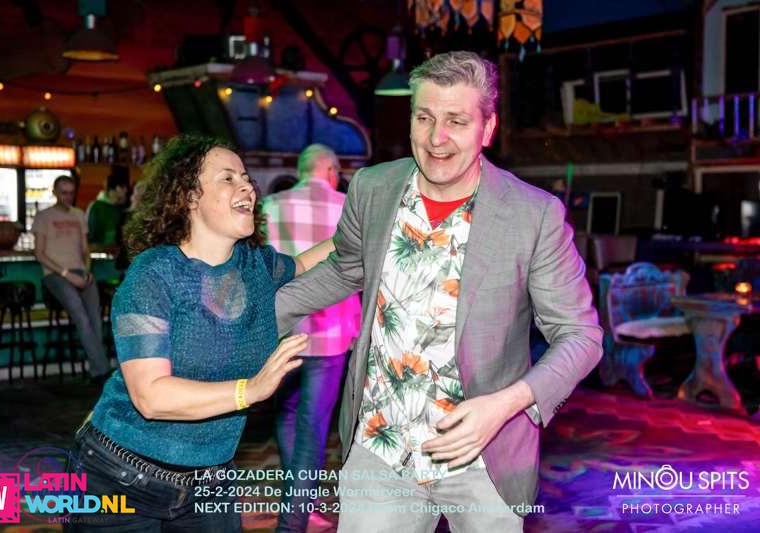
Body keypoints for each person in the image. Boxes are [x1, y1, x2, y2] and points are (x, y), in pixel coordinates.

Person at [276, 51, 603, 532]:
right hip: (380, 444)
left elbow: (581, 336)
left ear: (488, 129)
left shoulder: (533, 215)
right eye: (424, 117)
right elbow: (345, 268)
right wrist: (258, 316)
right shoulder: (372, 187)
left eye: (457, 121)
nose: (436, 138)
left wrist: (506, 404)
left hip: (485, 456)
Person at [66, 135, 333, 531]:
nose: (247, 187)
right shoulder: (154, 274)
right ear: (190, 196)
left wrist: (368, 226)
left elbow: (307, 263)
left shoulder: (256, 265)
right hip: (118, 477)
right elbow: (151, 397)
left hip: (211, 480)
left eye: (246, 178)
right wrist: (250, 390)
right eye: (228, 178)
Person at [262, 144, 361, 532]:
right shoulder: (348, 207)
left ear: (302, 169)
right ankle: (293, 521)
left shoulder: (271, 206)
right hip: (330, 335)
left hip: (283, 332)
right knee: (312, 430)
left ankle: (300, 505)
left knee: (287, 416)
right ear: (332, 171)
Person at [33, 175, 111, 382]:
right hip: (55, 275)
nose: (68, 197)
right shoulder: (43, 216)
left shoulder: (79, 214)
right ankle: (104, 371)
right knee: (81, 315)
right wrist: (67, 275)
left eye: (71, 193)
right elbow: (39, 254)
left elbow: (85, 250)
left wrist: (87, 270)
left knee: (95, 319)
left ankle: (98, 371)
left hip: (80, 273)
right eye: (63, 193)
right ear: (54, 192)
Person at [87, 165, 129, 246]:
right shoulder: (96, 207)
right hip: (101, 250)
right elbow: (92, 234)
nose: (126, 191)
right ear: (117, 188)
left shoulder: (120, 207)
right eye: (124, 187)